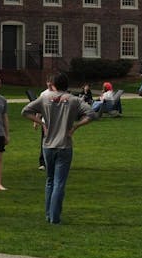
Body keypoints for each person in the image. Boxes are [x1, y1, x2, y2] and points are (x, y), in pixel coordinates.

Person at [22, 72, 95, 224]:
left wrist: (42, 123)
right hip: (64, 145)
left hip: (47, 145)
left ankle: (49, 214)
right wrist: (76, 126)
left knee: (49, 180)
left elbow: (25, 111)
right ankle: (55, 217)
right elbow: (91, 113)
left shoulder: (45, 98)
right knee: (59, 182)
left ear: (53, 85)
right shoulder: (74, 100)